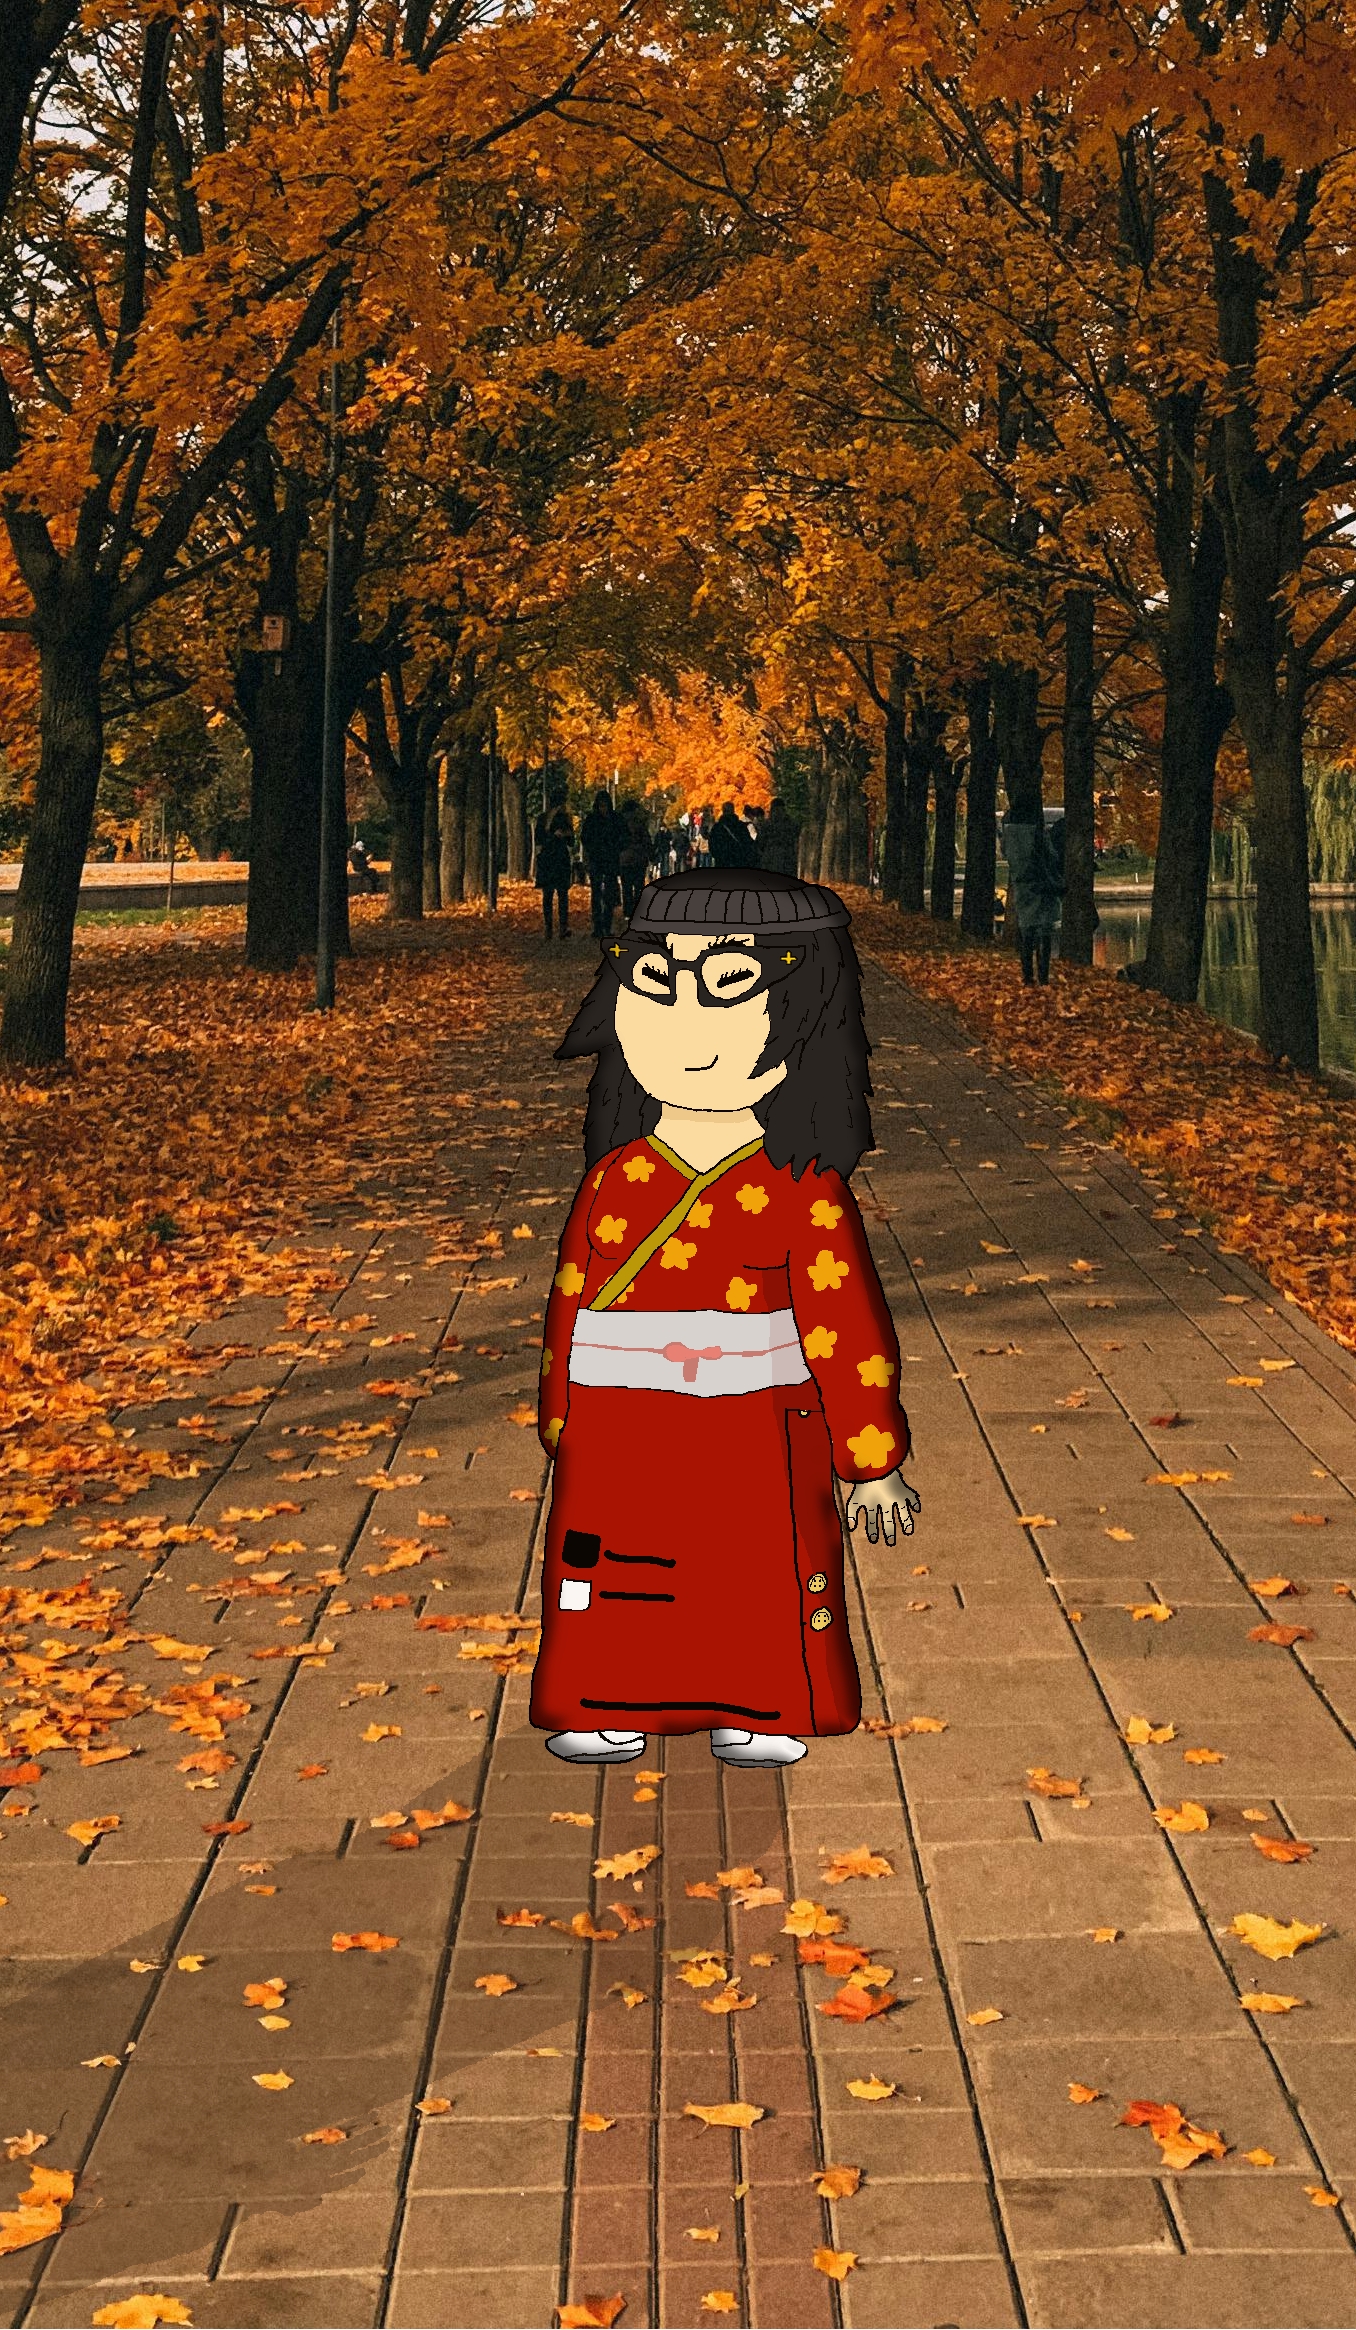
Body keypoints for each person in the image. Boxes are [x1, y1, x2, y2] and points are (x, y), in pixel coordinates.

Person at [531, 866, 922, 1770]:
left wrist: (870, 1459)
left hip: (755, 1431)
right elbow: (569, 1303)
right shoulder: (613, 1179)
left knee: (749, 1570)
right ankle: (606, 1698)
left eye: (727, 990)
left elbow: (844, 1326)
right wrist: (560, 1418)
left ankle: (760, 1703)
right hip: (616, 1430)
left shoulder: (802, 1189)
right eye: (656, 985)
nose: (682, 1023)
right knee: (610, 1571)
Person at [1000, 804, 1062, 984]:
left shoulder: (1009, 834)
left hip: (1021, 884)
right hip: (1040, 884)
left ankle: (1027, 976)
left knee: (1027, 931)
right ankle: (1043, 976)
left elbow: (1005, 853)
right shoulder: (1037, 834)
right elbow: (1051, 855)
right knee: (1045, 932)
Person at [580, 789, 622, 940]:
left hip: (609, 860)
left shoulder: (614, 819)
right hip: (597, 860)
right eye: (601, 806)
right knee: (596, 894)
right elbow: (585, 838)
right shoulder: (593, 820)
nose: (603, 809)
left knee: (609, 895)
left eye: (605, 806)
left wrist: (616, 849)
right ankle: (598, 926)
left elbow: (623, 836)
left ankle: (607, 925)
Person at [534, 804, 573, 940]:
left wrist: (566, 834)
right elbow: (539, 839)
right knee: (549, 895)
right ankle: (550, 927)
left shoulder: (564, 819)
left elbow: (571, 841)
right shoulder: (544, 819)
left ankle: (561, 927)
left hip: (558, 860)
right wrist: (553, 835)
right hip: (550, 860)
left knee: (561, 895)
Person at [617, 797, 651, 919]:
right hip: (639, 858)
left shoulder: (619, 824)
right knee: (638, 887)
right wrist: (650, 854)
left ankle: (627, 912)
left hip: (624, 859)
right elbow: (647, 841)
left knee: (626, 887)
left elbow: (616, 841)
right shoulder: (640, 822)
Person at [707, 799, 758, 868]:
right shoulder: (740, 826)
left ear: (723, 811)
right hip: (738, 862)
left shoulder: (717, 827)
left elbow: (712, 846)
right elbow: (748, 843)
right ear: (733, 811)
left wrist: (719, 857)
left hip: (722, 863)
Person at [757, 796, 800, 876]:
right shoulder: (791, 823)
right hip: (787, 857)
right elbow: (795, 839)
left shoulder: (767, 824)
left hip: (770, 857)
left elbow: (760, 843)